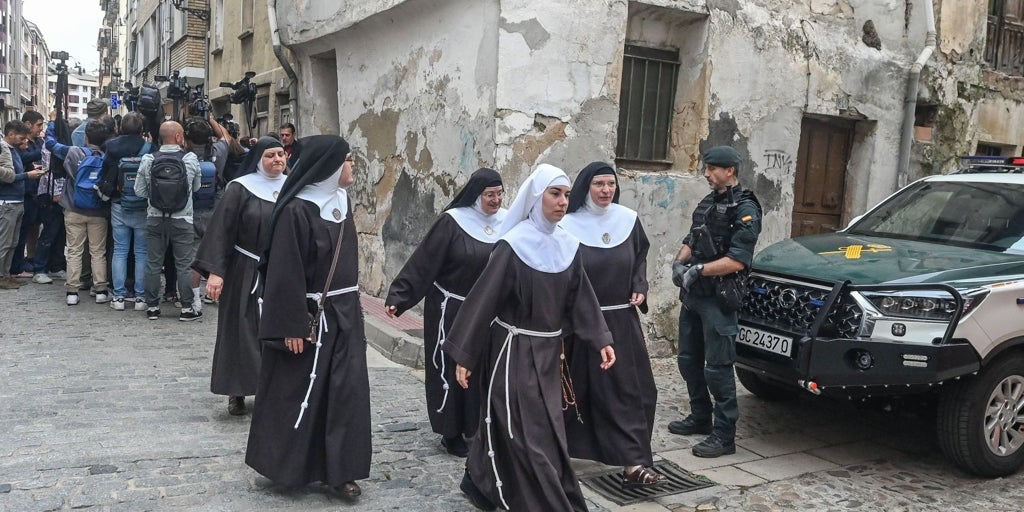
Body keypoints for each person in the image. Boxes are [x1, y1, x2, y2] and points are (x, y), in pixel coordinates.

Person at [445, 164, 616, 512]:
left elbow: (582, 298)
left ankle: (479, 481)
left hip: (551, 352)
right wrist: (465, 354)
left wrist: (601, 338)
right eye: (555, 194)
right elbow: (484, 300)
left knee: (540, 427)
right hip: (514, 352)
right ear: (536, 198)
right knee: (526, 432)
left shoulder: (568, 245)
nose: (563, 202)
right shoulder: (513, 245)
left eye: (567, 195)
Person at [245, 135, 370, 498]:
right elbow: (283, 271)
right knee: (299, 391)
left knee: (346, 392)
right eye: (347, 161)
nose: (352, 168)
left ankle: (341, 471)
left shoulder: (342, 202)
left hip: (346, 314)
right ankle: (288, 466)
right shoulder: (296, 211)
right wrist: (292, 323)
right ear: (330, 166)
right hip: (309, 315)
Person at [384, 167, 507, 457]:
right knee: (450, 370)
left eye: (500, 194)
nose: (496, 200)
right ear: (476, 196)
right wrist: (399, 295)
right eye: (490, 194)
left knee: (482, 370)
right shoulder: (452, 223)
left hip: (487, 312)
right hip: (450, 308)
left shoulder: (508, 222)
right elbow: (425, 261)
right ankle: (450, 431)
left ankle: (477, 426)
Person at [559, 161, 664, 487]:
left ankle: (634, 464)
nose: (606, 191)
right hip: (581, 326)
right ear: (585, 188)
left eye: (610, 184)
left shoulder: (627, 221)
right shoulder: (567, 225)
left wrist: (639, 285)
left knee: (636, 393)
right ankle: (555, 455)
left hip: (621, 321)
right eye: (599, 185)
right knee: (576, 395)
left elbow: (640, 257)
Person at [668, 146, 762, 458]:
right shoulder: (709, 202)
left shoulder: (746, 208)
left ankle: (724, 435)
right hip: (694, 296)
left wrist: (699, 269)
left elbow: (737, 260)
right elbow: (691, 239)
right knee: (687, 360)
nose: (707, 174)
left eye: (711, 169)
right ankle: (700, 417)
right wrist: (679, 264)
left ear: (729, 170)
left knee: (718, 368)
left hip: (720, 299)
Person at [192, 136, 287, 416]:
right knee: (241, 331)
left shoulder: (292, 188)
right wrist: (216, 273)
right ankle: (237, 390)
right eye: (270, 155)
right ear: (258, 159)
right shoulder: (240, 189)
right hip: (244, 268)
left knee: (278, 330)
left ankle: (275, 390)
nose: (278, 160)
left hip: (279, 270)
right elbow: (221, 230)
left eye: (281, 154)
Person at [134, 121, 203, 321]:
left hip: (155, 218)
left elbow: (139, 191)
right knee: (183, 264)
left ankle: (153, 307)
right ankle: (187, 308)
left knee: (153, 264)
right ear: (179, 137)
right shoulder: (190, 159)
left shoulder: (148, 159)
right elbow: (196, 188)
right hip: (182, 218)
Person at [45, 117, 115, 304]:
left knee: (74, 250)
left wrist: (53, 124)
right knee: (98, 251)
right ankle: (100, 289)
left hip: (74, 208)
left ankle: (72, 292)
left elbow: (52, 145)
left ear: (85, 137)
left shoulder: (74, 152)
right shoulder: (107, 155)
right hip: (98, 210)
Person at [101, 112, 151, 311]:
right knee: (141, 251)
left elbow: (106, 172)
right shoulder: (148, 148)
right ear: (141, 129)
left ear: (120, 127)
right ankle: (140, 297)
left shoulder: (111, 146)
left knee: (120, 250)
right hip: (141, 203)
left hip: (119, 202)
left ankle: (119, 296)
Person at [1, 121, 45, 289]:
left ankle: (8, 274)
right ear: (10, 134)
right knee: (5, 242)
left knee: (12, 241)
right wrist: (26, 175)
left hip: (16, 200)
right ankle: (2, 276)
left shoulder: (12, 150)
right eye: (20, 137)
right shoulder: (4, 148)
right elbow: (7, 176)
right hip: (8, 202)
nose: (23, 141)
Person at [10, 111, 47, 280]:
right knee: (19, 232)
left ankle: (27, 259)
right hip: (22, 192)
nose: (41, 129)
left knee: (31, 227)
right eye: (39, 125)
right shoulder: (16, 147)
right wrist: (44, 151)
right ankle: (14, 268)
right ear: (28, 124)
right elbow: (22, 159)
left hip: (35, 191)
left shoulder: (39, 141)